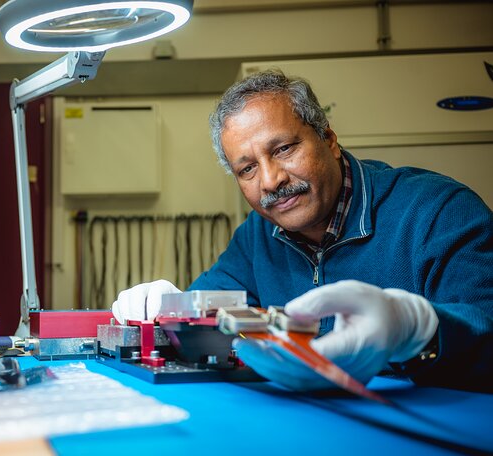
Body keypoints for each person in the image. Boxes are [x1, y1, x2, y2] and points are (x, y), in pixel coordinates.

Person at [112, 69, 493, 392]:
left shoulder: (439, 211)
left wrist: (420, 332)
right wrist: (168, 308)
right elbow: (208, 311)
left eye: (283, 150)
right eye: (247, 169)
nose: (270, 181)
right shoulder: (258, 235)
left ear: (328, 139)